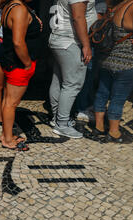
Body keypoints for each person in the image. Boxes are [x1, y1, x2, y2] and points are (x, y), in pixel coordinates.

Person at [49, 0, 97, 138]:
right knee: (72, 84)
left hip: (59, 38)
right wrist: (86, 45)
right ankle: (62, 124)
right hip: (70, 41)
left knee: (58, 81)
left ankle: (56, 118)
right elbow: (78, 17)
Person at [0, 0, 44, 151]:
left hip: (11, 62)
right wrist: (27, 64)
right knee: (11, 103)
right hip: (18, 65)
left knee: (7, 101)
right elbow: (18, 42)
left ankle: (6, 133)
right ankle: (8, 139)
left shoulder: (11, 5)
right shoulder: (19, 9)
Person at [93, 0, 133, 143]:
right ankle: (114, 131)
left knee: (102, 93)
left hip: (107, 59)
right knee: (118, 98)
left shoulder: (118, 6)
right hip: (125, 61)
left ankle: (98, 127)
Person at [74, 0, 108, 121]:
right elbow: (97, 25)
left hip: (85, 41)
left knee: (87, 77)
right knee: (87, 77)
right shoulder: (100, 4)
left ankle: (85, 105)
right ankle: (82, 108)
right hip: (90, 43)